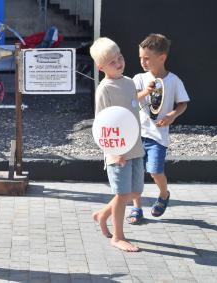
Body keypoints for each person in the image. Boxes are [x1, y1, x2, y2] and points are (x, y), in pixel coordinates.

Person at [127, 34, 190, 224]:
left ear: (162, 58)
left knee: (155, 171)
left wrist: (172, 115)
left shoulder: (174, 80)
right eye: (140, 58)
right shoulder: (139, 78)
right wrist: (145, 92)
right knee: (136, 173)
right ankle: (137, 208)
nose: (143, 62)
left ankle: (164, 194)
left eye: (147, 58)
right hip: (137, 135)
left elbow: (183, 103)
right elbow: (130, 100)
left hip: (158, 136)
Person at [89, 37, 145, 252]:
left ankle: (102, 215)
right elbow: (102, 122)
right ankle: (118, 236)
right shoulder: (105, 89)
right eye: (113, 61)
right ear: (100, 67)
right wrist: (113, 152)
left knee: (134, 192)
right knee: (123, 194)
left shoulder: (129, 82)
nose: (119, 62)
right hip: (117, 151)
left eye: (120, 57)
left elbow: (131, 107)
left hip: (135, 147)